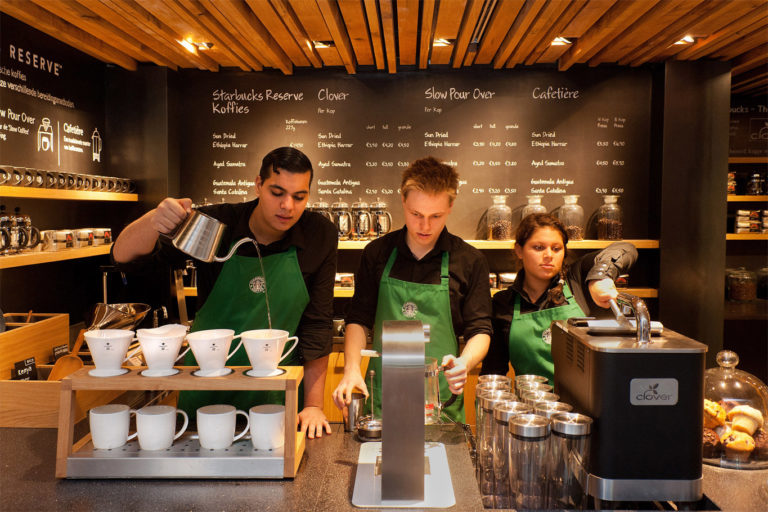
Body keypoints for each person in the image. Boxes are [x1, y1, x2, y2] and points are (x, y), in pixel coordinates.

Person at [112, 146, 336, 438]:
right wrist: (155, 219)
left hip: (276, 389)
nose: (288, 207)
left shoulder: (321, 234)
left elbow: (317, 324)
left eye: (299, 196)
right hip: (207, 383)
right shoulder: (216, 225)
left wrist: (314, 405)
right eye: (277, 192)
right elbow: (123, 258)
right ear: (258, 185)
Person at [332, 156, 492, 422]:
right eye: (416, 214)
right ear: (403, 200)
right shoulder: (377, 253)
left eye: (435, 216)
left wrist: (464, 363)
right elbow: (358, 319)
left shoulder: (469, 260)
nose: (425, 226)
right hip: (383, 399)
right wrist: (351, 369)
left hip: (441, 399)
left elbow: (481, 330)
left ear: (451, 205)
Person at [481, 213, 638, 381]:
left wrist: (601, 277)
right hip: (530, 402)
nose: (549, 255)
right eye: (538, 247)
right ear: (519, 250)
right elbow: (493, 371)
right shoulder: (503, 303)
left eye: (556, 248)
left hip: (581, 403)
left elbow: (626, 249)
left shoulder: (577, 280)